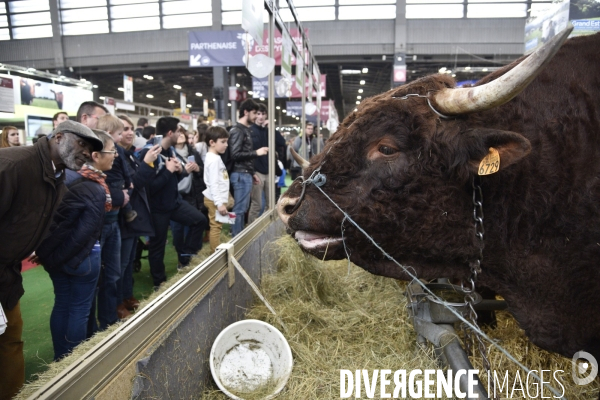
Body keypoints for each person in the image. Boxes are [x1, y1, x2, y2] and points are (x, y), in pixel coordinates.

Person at [0, 120, 102, 399]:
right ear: (58, 137)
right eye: (81, 143)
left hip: (8, 275)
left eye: (90, 149)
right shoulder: (13, 164)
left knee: (11, 340)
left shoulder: (58, 176)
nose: (85, 153)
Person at [35, 131, 116, 361]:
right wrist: (58, 258)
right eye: (112, 151)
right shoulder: (93, 186)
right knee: (79, 311)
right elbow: (84, 234)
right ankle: (73, 363)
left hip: (59, 255)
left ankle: (62, 360)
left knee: (62, 305)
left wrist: (51, 257)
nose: (115, 156)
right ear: (95, 154)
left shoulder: (66, 177)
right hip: (81, 258)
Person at [137, 117, 207, 290]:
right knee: (157, 246)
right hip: (157, 208)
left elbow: (172, 178)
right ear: (170, 133)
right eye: (178, 130)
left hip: (174, 202)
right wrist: (169, 171)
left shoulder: (169, 151)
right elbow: (150, 187)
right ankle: (158, 282)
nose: (180, 133)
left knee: (199, 220)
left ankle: (186, 258)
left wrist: (180, 171)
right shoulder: (149, 152)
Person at [94, 115, 134, 324]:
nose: (126, 135)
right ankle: (105, 319)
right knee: (100, 278)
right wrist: (121, 195)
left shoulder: (117, 156)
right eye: (121, 131)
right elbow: (103, 191)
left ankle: (109, 319)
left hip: (113, 221)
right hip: (104, 223)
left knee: (113, 274)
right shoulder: (90, 169)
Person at [116, 114, 158, 314]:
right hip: (122, 219)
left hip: (133, 218)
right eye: (124, 129)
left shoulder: (130, 154)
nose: (130, 132)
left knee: (129, 261)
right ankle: (118, 303)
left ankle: (127, 295)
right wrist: (147, 163)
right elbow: (133, 186)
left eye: (131, 128)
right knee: (121, 265)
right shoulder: (118, 157)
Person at [228, 99, 268, 237]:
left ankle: (237, 236)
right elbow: (235, 154)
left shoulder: (244, 130)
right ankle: (235, 237)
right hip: (239, 175)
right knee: (238, 209)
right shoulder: (237, 130)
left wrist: (251, 173)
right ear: (246, 112)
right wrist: (256, 153)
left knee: (242, 208)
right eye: (255, 113)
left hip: (245, 174)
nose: (257, 116)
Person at [171, 127, 207, 266]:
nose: (180, 135)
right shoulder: (168, 153)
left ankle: (190, 260)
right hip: (175, 196)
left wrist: (198, 169)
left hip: (192, 195)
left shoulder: (193, 151)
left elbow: (203, 171)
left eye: (182, 133)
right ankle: (182, 260)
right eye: (177, 132)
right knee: (177, 231)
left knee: (193, 229)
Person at [248, 104, 285, 223]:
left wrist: (271, 128)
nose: (261, 116)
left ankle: (267, 228)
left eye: (263, 114)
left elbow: (281, 142)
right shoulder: (250, 130)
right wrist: (252, 171)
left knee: (271, 204)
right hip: (257, 171)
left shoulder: (268, 130)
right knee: (257, 204)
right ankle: (250, 229)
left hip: (269, 171)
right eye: (258, 113)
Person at [203, 126, 231, 253]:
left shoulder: (214, 157)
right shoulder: (213, 160)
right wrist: (219, 203)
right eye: (223, 142)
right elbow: (214, 184)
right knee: (215, 227)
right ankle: (215, 255)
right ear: (212, 142)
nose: (226, 145)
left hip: (216, 198)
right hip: (215, 199)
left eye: (227, 141)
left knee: (217, 226)